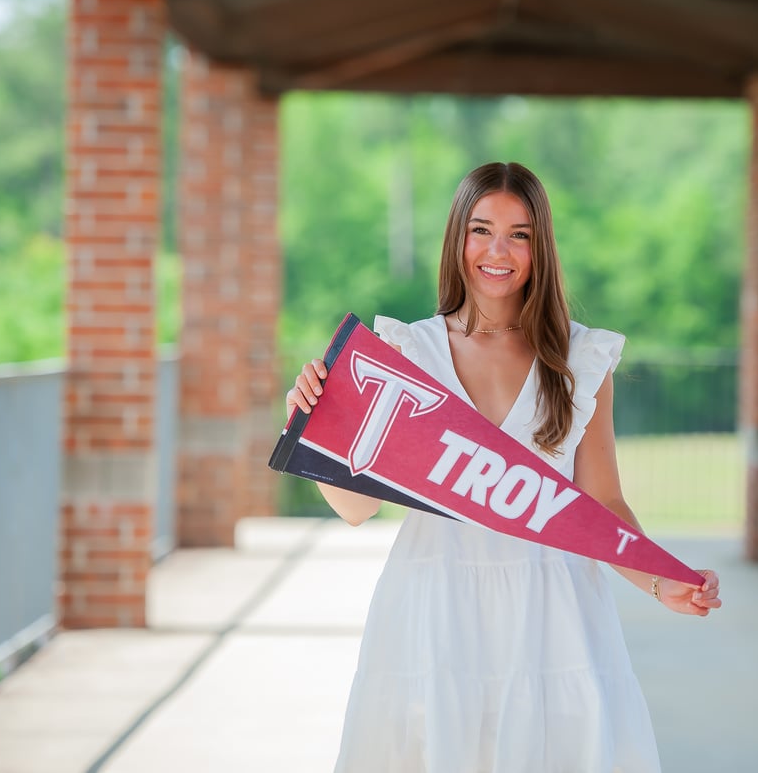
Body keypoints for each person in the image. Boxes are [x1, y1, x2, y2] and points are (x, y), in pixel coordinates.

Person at [286, 161, 722, 772]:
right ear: (456, 241)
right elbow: (358, 508)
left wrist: (658, 577)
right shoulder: (406, 354)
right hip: (435, 603)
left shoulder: (577, 359)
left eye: (519, 234)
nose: (498, 251)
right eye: (480, 229)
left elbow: (602, 504)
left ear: (540, 247)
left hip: (554, 609)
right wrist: (310, 419)